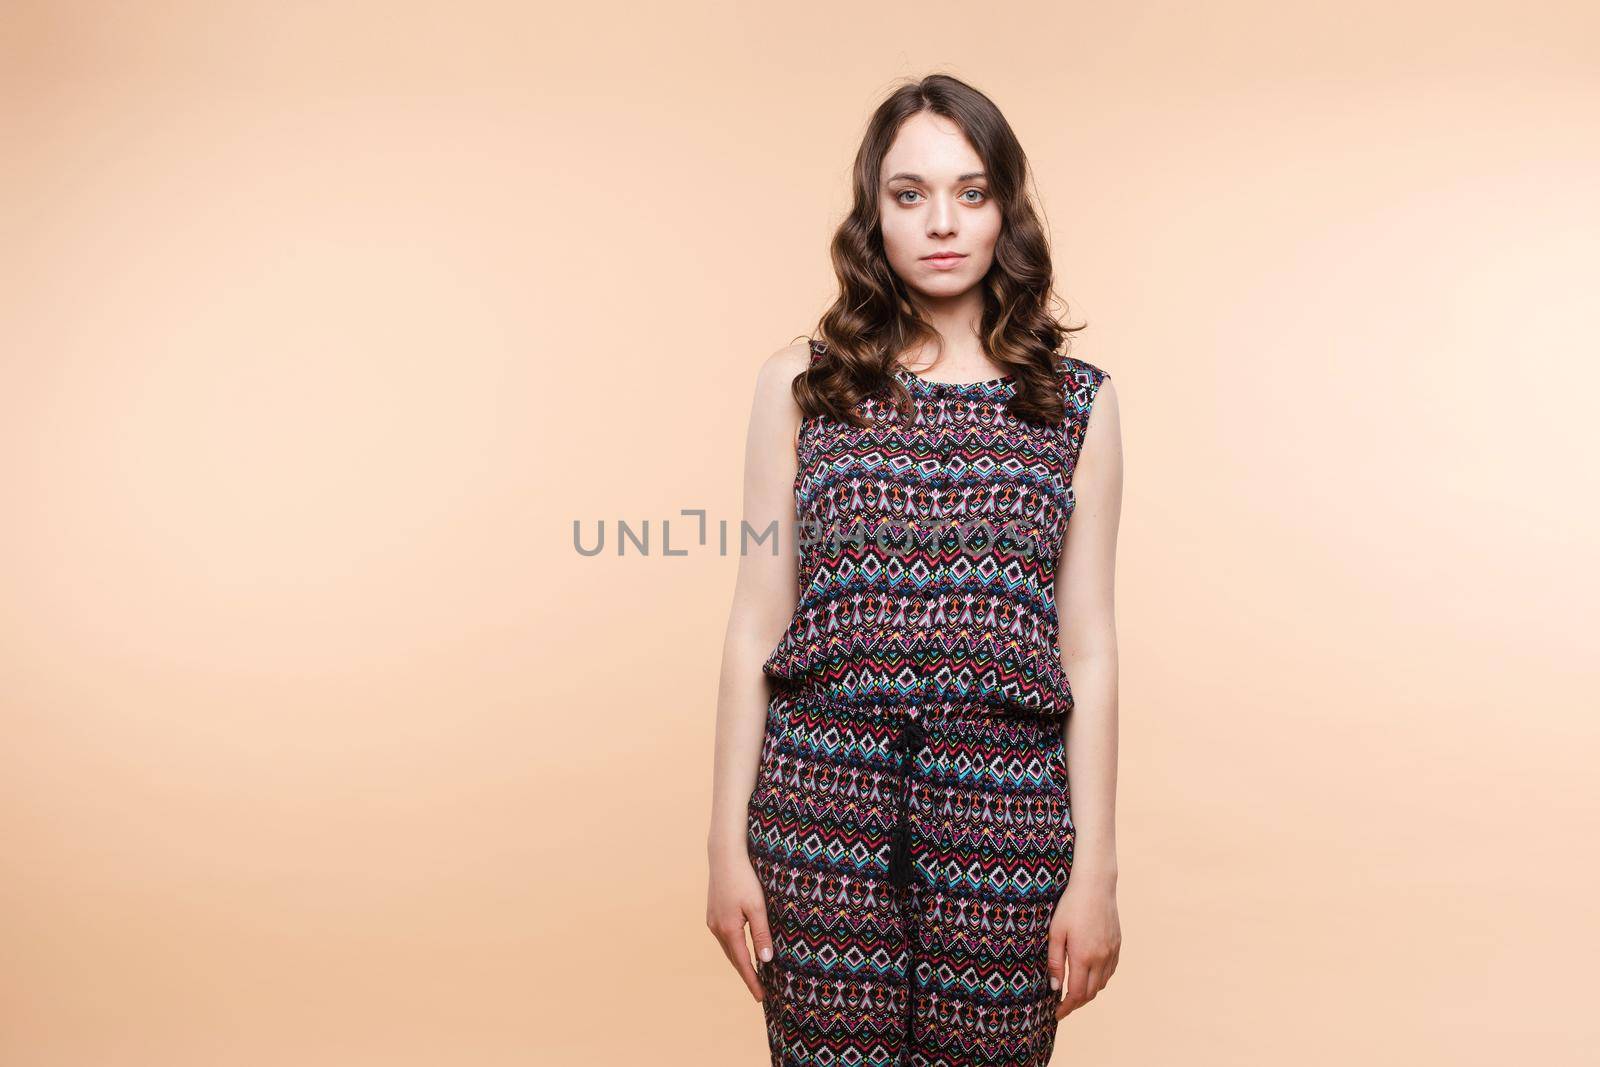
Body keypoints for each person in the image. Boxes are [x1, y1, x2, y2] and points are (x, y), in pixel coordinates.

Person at [705, 73, 1123, 1066]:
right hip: (816, 805)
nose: (941, 221)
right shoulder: (800, 385)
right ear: (873, 213)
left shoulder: (1075, 404)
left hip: (1007, 813)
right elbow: (754, 622)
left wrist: (1095, 868)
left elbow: (1089, 644)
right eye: (909, 193)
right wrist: (723, 845)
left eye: (970, 192)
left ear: (1004, 210)